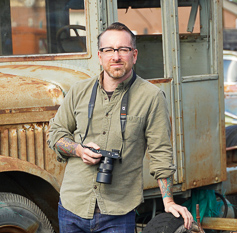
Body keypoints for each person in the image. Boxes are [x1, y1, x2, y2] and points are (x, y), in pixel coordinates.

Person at [48, 22, 193, 233]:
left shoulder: (151, 97)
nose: (115, 56)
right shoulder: (79, 91)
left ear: (134, 55)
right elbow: (55, 134)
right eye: (109, 50)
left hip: (118, 211)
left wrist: (168, 201)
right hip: (73, 206)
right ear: (100, 56)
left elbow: (161, 152)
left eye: (122, 49)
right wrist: (79, 150)